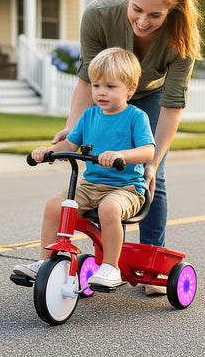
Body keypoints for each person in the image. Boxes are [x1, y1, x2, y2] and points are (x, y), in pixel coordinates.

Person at [52, 0, 203, 286]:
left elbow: (173, 105)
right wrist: (72, 129)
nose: (143, 21)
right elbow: (86, 81)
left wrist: (153, 162)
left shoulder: (183, 38)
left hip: (151, 95)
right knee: (99, 168)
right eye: (136, 9)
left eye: (155, 15)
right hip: (105, 90)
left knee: (153, 176)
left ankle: (152, 262)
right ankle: (108, 258)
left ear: (172, 11)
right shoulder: (99, 14)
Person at [14, 47, 155, 288]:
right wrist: (46, 153)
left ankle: (111, 267)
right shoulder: (89, 116)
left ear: (130, 89)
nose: (101, 92)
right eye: (96, 85)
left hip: (127, 188)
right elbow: (70, 143)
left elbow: (148, 151)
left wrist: (120, 154)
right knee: (54, 205)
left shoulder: (135, 117)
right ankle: (46, 262)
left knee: (109, 208)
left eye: (110, 87)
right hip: (91, 186)